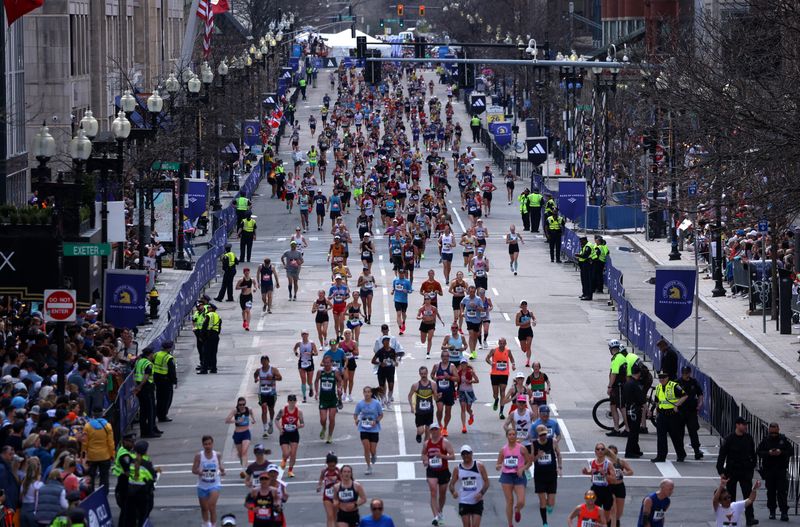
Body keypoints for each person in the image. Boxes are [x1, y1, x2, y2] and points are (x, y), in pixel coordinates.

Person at [716, 417, 758, 525]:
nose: (746, 426)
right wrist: (721, 471)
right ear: (737, 425)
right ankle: (731, 518)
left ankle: (750, 518)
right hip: (732, 471)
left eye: (746, 425)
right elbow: (722, 456)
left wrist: (751, 467)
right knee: (730, 497)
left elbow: (753, 455)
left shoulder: (748, 438)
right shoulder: (729, 439)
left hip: (745, 471)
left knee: (748, 495)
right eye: (743, 424)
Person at [757, 422, 793, 521]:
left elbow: (790, 451)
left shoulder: (783, 440)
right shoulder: (765, 440)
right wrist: (768, 453)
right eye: (772, 433)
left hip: (781, 469)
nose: (773, 435)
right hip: (769, 470)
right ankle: (772, 511)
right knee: (771, 492)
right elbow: (759, 452)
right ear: (769, 431)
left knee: (782, 492)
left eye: (775, 433)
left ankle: (784, 512)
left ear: (778, 430)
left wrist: (781, 453)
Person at [496, 428, 531, 527]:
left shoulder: (521, 448)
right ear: (507, 436)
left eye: (513, 434)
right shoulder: (503, 450)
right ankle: (510, 524)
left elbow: (529, 462)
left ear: (516, 436)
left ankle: (518, 509)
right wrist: (498, 466)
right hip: (506, 476)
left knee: (521, 501)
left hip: (518, 476)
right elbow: (498, 464)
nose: (512, 436)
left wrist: (522, 469)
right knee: (509, 500)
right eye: (510, 434)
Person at [449, 444, 490, 527]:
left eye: (467, 453)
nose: (465, 456)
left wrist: (481, 493)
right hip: (464, 501)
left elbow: (487, 482)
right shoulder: (457, 469)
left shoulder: (479, 466)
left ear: (471, 453)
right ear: (461, 456)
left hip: (477, 501)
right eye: (463, 454)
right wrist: (453, 492)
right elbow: (451, 484)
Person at [423, 423, 455, 526]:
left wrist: (441, 456)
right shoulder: (427, 443)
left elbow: (453, 456)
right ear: (430, 431)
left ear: (440, 430)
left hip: (443, 471)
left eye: (436, 429)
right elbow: (423, 454)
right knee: (433, 492)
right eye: (432, 430)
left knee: (442, 494)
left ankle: (440, 511)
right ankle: (435, 516)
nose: (434, 432)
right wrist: (425, 460)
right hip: (431, 471)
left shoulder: (445, 442)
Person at [652, 370, 688, 463]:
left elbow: (684, 396)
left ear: (667, 377)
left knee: (676, 437)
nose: (662, 379)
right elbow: (657, 401)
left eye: (663, 377)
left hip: (673, 416)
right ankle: (661, 456)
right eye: (660, 378)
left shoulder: (674, 386)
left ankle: (681, 455)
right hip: (662, 415)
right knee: (661, 437)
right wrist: (656, 413)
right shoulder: (658, 387)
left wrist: (677, 405)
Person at [121, 440, 157, 527]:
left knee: (130, 517)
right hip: (142, 494)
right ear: (145, 451)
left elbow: (125, 473)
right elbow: (153, 477)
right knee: (143, 515)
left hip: (130, 492)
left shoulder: (130, 460)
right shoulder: (146, 464)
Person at [532, 424, 562, 527]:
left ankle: (549, 505)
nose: (543, 436)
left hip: (551, 474)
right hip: (539, 475)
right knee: (542, 502)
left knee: (551, 502)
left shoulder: (552, 441)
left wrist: (560, 467)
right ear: (538, 435)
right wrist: (537, 456)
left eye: (544, 434)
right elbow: (531, 460)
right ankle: (544, 522)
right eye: (541, 435)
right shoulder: (534, 444)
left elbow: (558, 454)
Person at [193, 435, 225, 527]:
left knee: (211, 506)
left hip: (214, 484)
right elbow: (193, 470)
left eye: (209, 444)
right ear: (203, 445)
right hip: (202, 485)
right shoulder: (199, 456)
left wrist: (222, 471)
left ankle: (213, 525)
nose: (208, 446)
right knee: (204, 508)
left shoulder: (217, 455)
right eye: (205, 444)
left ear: (212, 444)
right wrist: (199, 472)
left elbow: (221, 466)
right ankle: (206, 523)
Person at [582, 442, 618, 519]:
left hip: (606, 490)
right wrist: (586, 472)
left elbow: (614, 479)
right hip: (595, 489)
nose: (600, 451)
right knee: (595, 514)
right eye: (598, 449)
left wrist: (605, 474)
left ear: (605, 451)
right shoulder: (592, 462)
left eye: (602, 449)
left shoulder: (608, 464)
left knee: (606, 517)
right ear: (595, 451)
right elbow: (591, 472)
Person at [82, 407, 116, 492]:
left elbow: (84, 443)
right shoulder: (108, 426)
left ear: (93, 414)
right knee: (104, 477)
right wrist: (112, 454)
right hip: (105, 456)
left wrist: (83, 456)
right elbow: (111, 443)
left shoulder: (87, 426)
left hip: (91, 456)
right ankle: (103, 494)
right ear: (102, 414)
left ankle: (91, 494)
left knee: (91, 477)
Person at [354, 386, 384, 475]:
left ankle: (374, 455)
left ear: (371, 393)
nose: (367, 394)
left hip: (374, 429)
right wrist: (356, 420)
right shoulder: (360, 404)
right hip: (363, 429)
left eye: (368, 392)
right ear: (363, 393)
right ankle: (368, 467)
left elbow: (381, 415)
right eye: (365, 392)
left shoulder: (376, 403)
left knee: (372, 450)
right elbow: (355, 414)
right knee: (366, 449)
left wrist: (376, 421)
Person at [677, 365, 704, 459]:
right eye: (684, 373)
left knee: (693, 432)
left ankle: (697, 451)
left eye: (687, 373)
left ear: (689, 373)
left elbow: (700, 394)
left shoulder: (694, 382)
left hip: (691, 411)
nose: (685, 375)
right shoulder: (678, 383)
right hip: (681, 411)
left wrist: (699, 404)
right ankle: (680, 454)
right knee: (679, 433)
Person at [315, 355, 343, 444]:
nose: (326, 365)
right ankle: (324, 428)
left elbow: (340, 381)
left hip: (332, 399)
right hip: (323, 399)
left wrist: (339, 388)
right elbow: (316, 381)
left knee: (331, 418)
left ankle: (330, 436)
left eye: (328, 363)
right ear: (323, 362)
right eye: (325, 363)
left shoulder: (335, 372)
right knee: (323, 419)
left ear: (331, 363)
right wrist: (316, 392)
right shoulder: (320, 372)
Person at [133, 347, 160, 437]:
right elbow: (146, 376)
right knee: (149, 411)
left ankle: (144, 431)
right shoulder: (148, 363)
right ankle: (150, 431)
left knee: (143, 411)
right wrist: (140, 387)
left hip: (140, 388)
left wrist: (137, 387)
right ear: (150, 354)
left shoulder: (139, 361)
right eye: (152, 354)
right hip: (146, 388)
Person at [275, 394, 304, 478]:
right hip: (284, 433)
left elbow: (302, 423)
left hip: (294, 433)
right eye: (290, 401)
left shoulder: (299, 412)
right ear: (288, 401)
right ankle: (284, 460)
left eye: (293, 401)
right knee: (286, 453)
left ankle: (290, 470)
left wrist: (298, 426)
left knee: (293, 453)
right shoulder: (283, 410)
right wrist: (280, 429)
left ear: (295, 401)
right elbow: (276, 420)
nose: (292, 402)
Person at [486, 338, 515, 420]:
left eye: (503, 343)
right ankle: (496, 399)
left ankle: (501, 412)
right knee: (495, 393)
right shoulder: (493, 350)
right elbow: (487, 359)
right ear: (498, 343)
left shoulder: (508, 351)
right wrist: (491, 362)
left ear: (505, 343)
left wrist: (513, 364)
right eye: (500, 343)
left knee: (503, 391)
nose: (502, 345)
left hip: (504, 374)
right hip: (494, 374)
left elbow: (512, 359)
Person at [254, 355, 282, 438]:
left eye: (265, 361)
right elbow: (255, 375)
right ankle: (265, 429)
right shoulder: (259, 370)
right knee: (264, 408)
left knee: (271, 409)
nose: (264, 362)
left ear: (268, 361)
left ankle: (271, 421)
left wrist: (273, 377)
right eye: (262, 361)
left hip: (271, 393)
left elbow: (280, 378)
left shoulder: (273, 370)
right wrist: (255, 379)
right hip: (262, 393)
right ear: (261, 362)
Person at [225, 397, 255, 473]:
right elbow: (227, 420)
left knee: (244, 451)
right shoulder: (235, 410)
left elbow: (252, 414)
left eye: (243, 404)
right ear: (238, 404)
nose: (242, 406)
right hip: (237, 434)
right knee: (241, 454)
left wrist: (253, 419)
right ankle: (246, 466)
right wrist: (237, 420)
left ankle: (244, 471)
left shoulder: (248, 409)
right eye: (240, 405)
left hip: (246, 433)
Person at [606, 339, 629, 437]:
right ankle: (616, 429)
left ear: (611, 349)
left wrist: (610, 386)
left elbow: (614, 374)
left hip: (618, 387)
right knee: (613, 406)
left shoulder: (616, 358)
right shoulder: (622, 357)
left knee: (621, 407)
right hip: (621, 386)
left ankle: (627, 429)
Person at [433, 350, 458, 436]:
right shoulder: (436, 366)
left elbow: (457, 379)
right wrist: (434, 378)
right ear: (441, 357)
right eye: (443, 356)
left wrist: (449, 377)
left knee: (448, 412)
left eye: (447, 356)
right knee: (439, 409)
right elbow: (432, 375)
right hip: (439, 392)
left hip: (449, 392)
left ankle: (445, 427)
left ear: (449, 357)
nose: (445, 358)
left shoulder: (452, 367)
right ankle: (439, 424)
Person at [623, 365, 646, 459]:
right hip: (635, 410)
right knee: (634, 432)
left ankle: (635, 449)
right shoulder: (636, 384)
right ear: (639, 373)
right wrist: (646, 409)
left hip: (629, 408)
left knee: (633, 430)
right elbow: (641, 399)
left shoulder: (628, 383)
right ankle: (629, 451)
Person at [608, 445, 634, 527]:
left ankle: (615, 523)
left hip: (619, 486)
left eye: (614, 452)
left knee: (619, 513)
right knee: (613, 510)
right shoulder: (605, 463)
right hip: (609, 487)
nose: (612, 454)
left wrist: (625, 473)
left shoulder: (621, 462)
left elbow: (631, 471)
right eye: (610, 452)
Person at [153, 340, 177, 423]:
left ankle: (158, 413)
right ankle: (163, 415)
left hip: (157, 379)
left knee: (159, 398)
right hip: (166, 380)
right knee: (167, 399)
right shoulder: (169, 358)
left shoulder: (157, 354)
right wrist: (175, 381)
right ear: (169, 348)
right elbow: (172, 371)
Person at [372, 337, 398, 407]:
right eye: (385, 341)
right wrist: (380, 363)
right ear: (383, 342)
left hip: (390, 371)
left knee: (391, 386)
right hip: (382, 371)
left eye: (388, 341)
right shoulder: (380, 351)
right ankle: (383, 401)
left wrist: (395, 363)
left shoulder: (392, 350)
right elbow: (373, 361)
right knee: (381, 387)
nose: (387, 342)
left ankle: (389, 401)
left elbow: (395, 360)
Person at [294, 330, 318, 403]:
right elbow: (294, 349)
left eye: (306, 334)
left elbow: (316, 353)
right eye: (303, 334)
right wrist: (296, 354)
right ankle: (304, 396)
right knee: (303, 380)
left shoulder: (311, 343)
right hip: (301, 362)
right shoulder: (299, 343)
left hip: (309, 362)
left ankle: (311, 388)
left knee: (309, 381)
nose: (304, 335)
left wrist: (311, 354)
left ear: (308, 335)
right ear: (301, 335)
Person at [318, 453, 341, 527]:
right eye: (330, 466)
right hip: (327, 495)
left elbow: (343, 482)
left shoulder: (339, 471)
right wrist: (319, 486)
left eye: (333, 466)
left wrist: (336, 480)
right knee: (330, 515)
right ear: (327, 464)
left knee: (335, 516)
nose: (331, 468)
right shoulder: (324, 471)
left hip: (336, 496)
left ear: (336, 464)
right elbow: (321, 479)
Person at [457, 358, 479, 434]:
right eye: (462, 364)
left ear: (466, 364)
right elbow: (457, 382)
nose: (463, 365)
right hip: (461, 391)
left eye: (464, 364)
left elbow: (477, 380)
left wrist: (470, 381)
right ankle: (464, 426)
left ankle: (471, 414)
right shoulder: (458, 372)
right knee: (463, 408)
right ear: (460, 365)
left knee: (468, 409)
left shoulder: (471, 372)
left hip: (469, 392)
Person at [201, 303, 222, 374]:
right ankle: (214, 369)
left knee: (206, 353)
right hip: (215, 336)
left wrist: (202, 336)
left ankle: (204, 370)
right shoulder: (218, 316)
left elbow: (204, 327)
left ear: (212, 309)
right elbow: (219, 328)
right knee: (213, 353)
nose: (208, 309)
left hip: (208, 335)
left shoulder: (209, 315)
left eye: (209, 308)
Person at [514, 301, 536, 368]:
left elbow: (534, 318)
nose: (524, 306)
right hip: (522, 331)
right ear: (521, 306)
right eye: (523, 305)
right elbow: (517, 324)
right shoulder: (519, 314)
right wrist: (525, 323)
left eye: (525, 304)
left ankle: (528, 361)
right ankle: (526, 350)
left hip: (529, 330)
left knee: (529, 346)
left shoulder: (530, 313)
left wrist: (534, 321)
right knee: (524, 349)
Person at [391, 269, 413, 335]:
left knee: (403, 314)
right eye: (400, 273)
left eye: (402, 273)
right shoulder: (395, 280)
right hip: (397, 300)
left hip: (404, 300)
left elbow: (411, 290)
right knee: (398, 314)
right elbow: (394, 288)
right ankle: (400, 328)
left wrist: (407, 291)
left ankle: (403, 322)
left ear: (404, 273)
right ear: (398, 273)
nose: (401, 274)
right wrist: (392, 291)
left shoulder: (407, 281)